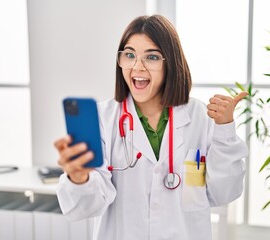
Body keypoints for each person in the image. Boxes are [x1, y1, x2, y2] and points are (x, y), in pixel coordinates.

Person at [54, 14, 248, 240]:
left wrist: (224, 129)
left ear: (171, 63)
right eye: (129, 55)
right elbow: (85, 207)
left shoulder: (199, 117)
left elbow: (224, 193)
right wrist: (79, 178)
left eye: (152, 57)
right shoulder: (103, 119)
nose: (138, 66)